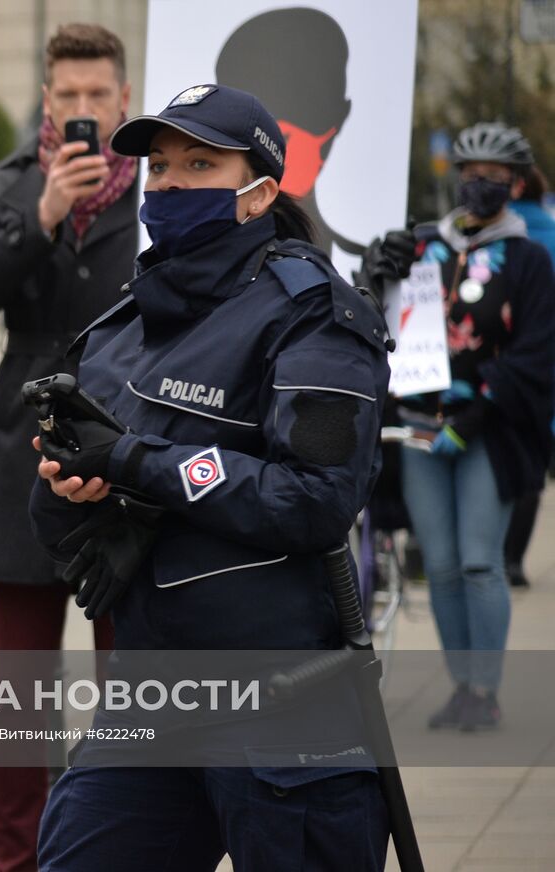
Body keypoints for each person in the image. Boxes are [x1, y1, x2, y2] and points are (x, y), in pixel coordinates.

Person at [29, 84, 392, 870]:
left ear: (259, 191)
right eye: (158, 166)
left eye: (199, 164)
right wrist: (74, 493)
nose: (167, 183)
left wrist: (137, 462)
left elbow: (317, 501)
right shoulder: (124, 324)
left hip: (284, 697)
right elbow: (56, 518)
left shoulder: (318, 316)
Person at [0, 23, 139, 870]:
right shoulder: (8, 186)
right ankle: (15, 860)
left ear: (124, 99)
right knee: (20, 695)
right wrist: (46, 210)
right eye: (70, 98)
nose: (86, 110)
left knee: (126, 687)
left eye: (100, 96)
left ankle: (123, 848)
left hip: (127, 443)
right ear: (48, 102)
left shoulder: (160, 190)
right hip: (24, 447)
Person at [362, 122, 555, 730]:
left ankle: (485, 689)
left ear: (515, 184)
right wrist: (375, 269)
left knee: (479, 562)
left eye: (493, 178)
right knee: (439, 565)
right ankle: (460, 686)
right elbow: (377, 316)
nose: (478, 186)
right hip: (419, 428)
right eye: (469, 175)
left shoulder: (528, 259)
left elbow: (536, 352)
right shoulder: (424, 246)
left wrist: (476, 416)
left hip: (487, 432)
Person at [215, 7, 362, 258]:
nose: (281, 133)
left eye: (310, 104)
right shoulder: (185, 270)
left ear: (342, 112)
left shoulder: (361, 273)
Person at [503, 164, 555, 588]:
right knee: (532, 465)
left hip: (498, 372)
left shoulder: (502, 242)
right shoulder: (549, 238)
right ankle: (512, 559)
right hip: (544, 374)